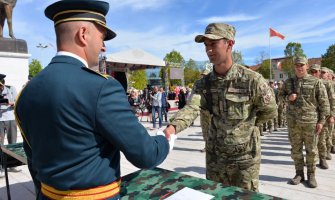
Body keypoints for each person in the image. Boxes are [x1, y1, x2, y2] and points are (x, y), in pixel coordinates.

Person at [14, 1, 170, 199]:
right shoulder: (102, 87)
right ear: (83, 34)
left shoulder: (26, 93)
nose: (103, 47)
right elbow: (146, 154)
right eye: (102, 38)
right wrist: (166, 139)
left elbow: (33, 161)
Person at [164, 23, 277, 192]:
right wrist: (173, 127)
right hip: (216, 159)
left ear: (230, 43)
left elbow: (270, 110)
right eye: (206, 45)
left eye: (213, 44)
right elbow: (192, 107)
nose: (209, 50)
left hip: (244, 159)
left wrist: (246, 127)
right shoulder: (204, 83)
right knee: (216, 195)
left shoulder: (251, 80)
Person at [281, 57, 329, 188]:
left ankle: (311, 175)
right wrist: (287, 97)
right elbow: (279, 97)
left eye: (301, 65)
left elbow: (324, 104)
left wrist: (321, 121)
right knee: (296, 150)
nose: (299, 67)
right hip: (293, 123)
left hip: (310, 123)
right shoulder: (288, 82)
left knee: (311, 151)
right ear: (294, 67)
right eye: (297, 65)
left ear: (307, 66)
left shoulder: (316, 82)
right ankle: (299, 173)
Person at [0, 74, 20, 177]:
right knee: (0, 144)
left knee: (12, 142)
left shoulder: (11, 88)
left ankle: (12, 164)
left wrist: (11, 103)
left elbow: (18, 101)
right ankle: (1, 167)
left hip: (10, 118)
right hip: (0, 119)